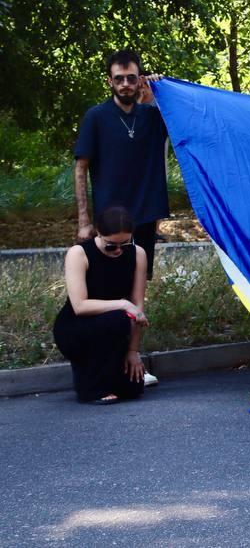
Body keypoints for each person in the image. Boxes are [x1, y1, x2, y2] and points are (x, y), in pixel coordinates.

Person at [74, 50, 169, 283]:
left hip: (145, 214)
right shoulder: (96, 116)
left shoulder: (154, 116)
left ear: (140, 79)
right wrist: (84, 221)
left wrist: (162, 89)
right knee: (107, 280)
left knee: (139, 278)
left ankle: (135, 319)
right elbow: (80, 169)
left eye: (131, 78)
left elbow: (187, 121)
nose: (125, 84)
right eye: (119, 79)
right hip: (110, 217)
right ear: (110, 81)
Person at [53, 206, 149, 404]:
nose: (119, 250)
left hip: (113, 325)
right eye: (111, 245)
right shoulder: (79, 254)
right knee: (117, 318)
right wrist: (123, 304)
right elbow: (79, 306)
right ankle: (90, 388)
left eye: (125, 243)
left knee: (133, 389)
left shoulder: (138, 253)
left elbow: (138, 308)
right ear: (98, 233)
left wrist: (133, 351)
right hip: (75, 327)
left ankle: (105, 375)